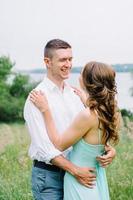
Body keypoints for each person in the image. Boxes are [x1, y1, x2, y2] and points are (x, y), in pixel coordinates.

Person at [24, 39, 116, 200]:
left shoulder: (75, 95)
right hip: (50, 177)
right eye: (62, 60)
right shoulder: (37, 99)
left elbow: (87, 131)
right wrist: (74, 170)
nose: (68, 64)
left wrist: (108, 149)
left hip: (78, 176)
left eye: (70, 59)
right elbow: (45, 148)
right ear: (47, 62)